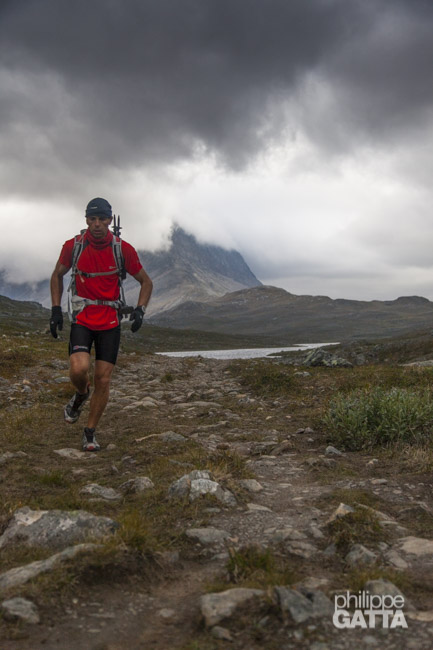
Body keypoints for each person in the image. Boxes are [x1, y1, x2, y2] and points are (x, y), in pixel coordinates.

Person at [49, 197, 153, 452]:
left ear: (109, 220)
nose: (97, 224)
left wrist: (140, 310)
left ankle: (90, 432)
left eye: (102, 219)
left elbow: (146, 282)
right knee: (79, 370)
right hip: (83, 318)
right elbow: (57, 275)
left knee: (103, 379)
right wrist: (55, 310)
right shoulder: (73, 246)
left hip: (110, 321)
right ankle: (81, 393)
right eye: (92, 219)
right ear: (86, 219)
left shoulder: (123, 249)